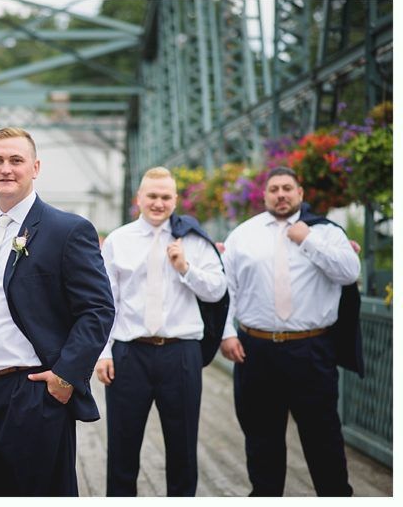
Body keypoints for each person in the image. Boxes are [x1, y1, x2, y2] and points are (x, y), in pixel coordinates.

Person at [0, 127, 115, 496]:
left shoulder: (67, 229)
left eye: (16, 160)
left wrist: (65, 376)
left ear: (35, 167)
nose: (5, 168)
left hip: (32, 394)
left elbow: (98, 309)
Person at [220, 166, 361, 496]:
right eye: (274, 189)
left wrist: (308, 240)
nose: (281, 194)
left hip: (310, 351)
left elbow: (349, 271)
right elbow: (228, 289)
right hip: (256, 350)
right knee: (261, 437)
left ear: (300, 194)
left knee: (322, 434)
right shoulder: (243, 234)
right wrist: (227, 333)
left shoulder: (325, 232)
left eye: (287, 188)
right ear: (265, 195)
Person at [94, 167, 227, 496]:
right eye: (151, 196)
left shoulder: (193, 240)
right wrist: (104, 352)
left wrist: (186, 268)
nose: (158, 203)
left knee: (182, 448)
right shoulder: (118, 241)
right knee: (123, 449)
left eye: (165, 197)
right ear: (138, 198)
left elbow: (217, 290)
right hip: (129, 354)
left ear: (175, 200)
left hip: (180, 353)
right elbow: (106, 301)